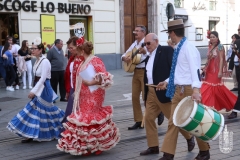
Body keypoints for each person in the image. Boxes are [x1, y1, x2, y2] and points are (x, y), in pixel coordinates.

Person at [158, 19, 210, 160]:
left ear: (173, 33)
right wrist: (167, 82)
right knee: (173, 122)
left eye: (169, 33)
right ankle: (168, 155)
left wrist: (196, 91)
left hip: (188, 90)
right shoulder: (179, 48)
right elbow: (178, 72)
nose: (169, 36)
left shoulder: (188, 48)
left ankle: (204, 151)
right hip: (178, 90)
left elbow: (195, 72)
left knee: (195, 122)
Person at [57, 41, 120, 155]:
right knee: (86, 120)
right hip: (84, 94)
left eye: (77, 50)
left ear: (82, 51)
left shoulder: (95, 60)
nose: (75, 52)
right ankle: (88, 146)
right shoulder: (82, 61)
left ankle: (98, 145)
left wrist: (91, 82)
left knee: (91, 118)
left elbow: (104, 76)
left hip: (95, 94)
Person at [140, 33, 195, 156]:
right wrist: (145, 95)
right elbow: (147, 76)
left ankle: (189, 137)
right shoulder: (148, 57)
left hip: (164, 92)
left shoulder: (166, 50)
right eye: (145, 44)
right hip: (151, 92)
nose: (146, 46)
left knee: (174, 120)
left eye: (148, 43)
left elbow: (174, 69)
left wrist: (167, 83)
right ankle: (153, 146)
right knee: (148, 118)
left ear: (156, 41)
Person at [7, 37, 65, 143]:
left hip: (44, 88)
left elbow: (43, 78)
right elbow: (36, 77)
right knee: (34, 110)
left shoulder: (45, 61)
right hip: (38, 86)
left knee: (47, 111)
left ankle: (64, 125)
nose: (32, 50)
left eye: (34, 49)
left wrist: (33, 90)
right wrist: (34, 89)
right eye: (32, 48)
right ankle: (30, 134)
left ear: (40, 50)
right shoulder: (37, 61)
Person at [121, 25, 164, 130]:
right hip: (136, 71)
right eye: (134, 31)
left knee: (147, 97)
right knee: (134, 97)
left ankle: (158, 112)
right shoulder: (135, 44)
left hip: (145, 72)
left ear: (143, 33)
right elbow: (124, 54)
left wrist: (145, 53)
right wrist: (125, 58)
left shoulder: (148, 42)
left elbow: (153, 55)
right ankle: (139, 121)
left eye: (137, 31)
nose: (135, 33)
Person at [201, 31, 237, 112]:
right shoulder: (210, 46)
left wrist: (220, 71)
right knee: (213, 89)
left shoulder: (220, 46)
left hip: (216, 70)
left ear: (217, 38)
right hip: (209, 70)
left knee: (214, 88)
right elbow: (209, 59)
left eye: (214, 37)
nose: (212, 38)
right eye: (211, 37)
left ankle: (209, 106)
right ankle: (220, 105)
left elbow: (221, 59)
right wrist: (205, 67)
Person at [62, 36, 84, 123]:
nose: (70, 50)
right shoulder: (72, 58)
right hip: (72, 89)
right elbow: (68, 75)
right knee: (70, 112)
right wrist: (68, 90)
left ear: (78, 46)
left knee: (73, 113)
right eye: (69, 48)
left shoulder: (82, 58)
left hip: (80, 90)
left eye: (71, 48)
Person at [228, 39, 240, 119]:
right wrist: (230, 68)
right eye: (238, 30)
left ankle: (235, 111)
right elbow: (233, 56)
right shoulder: (237, 42)